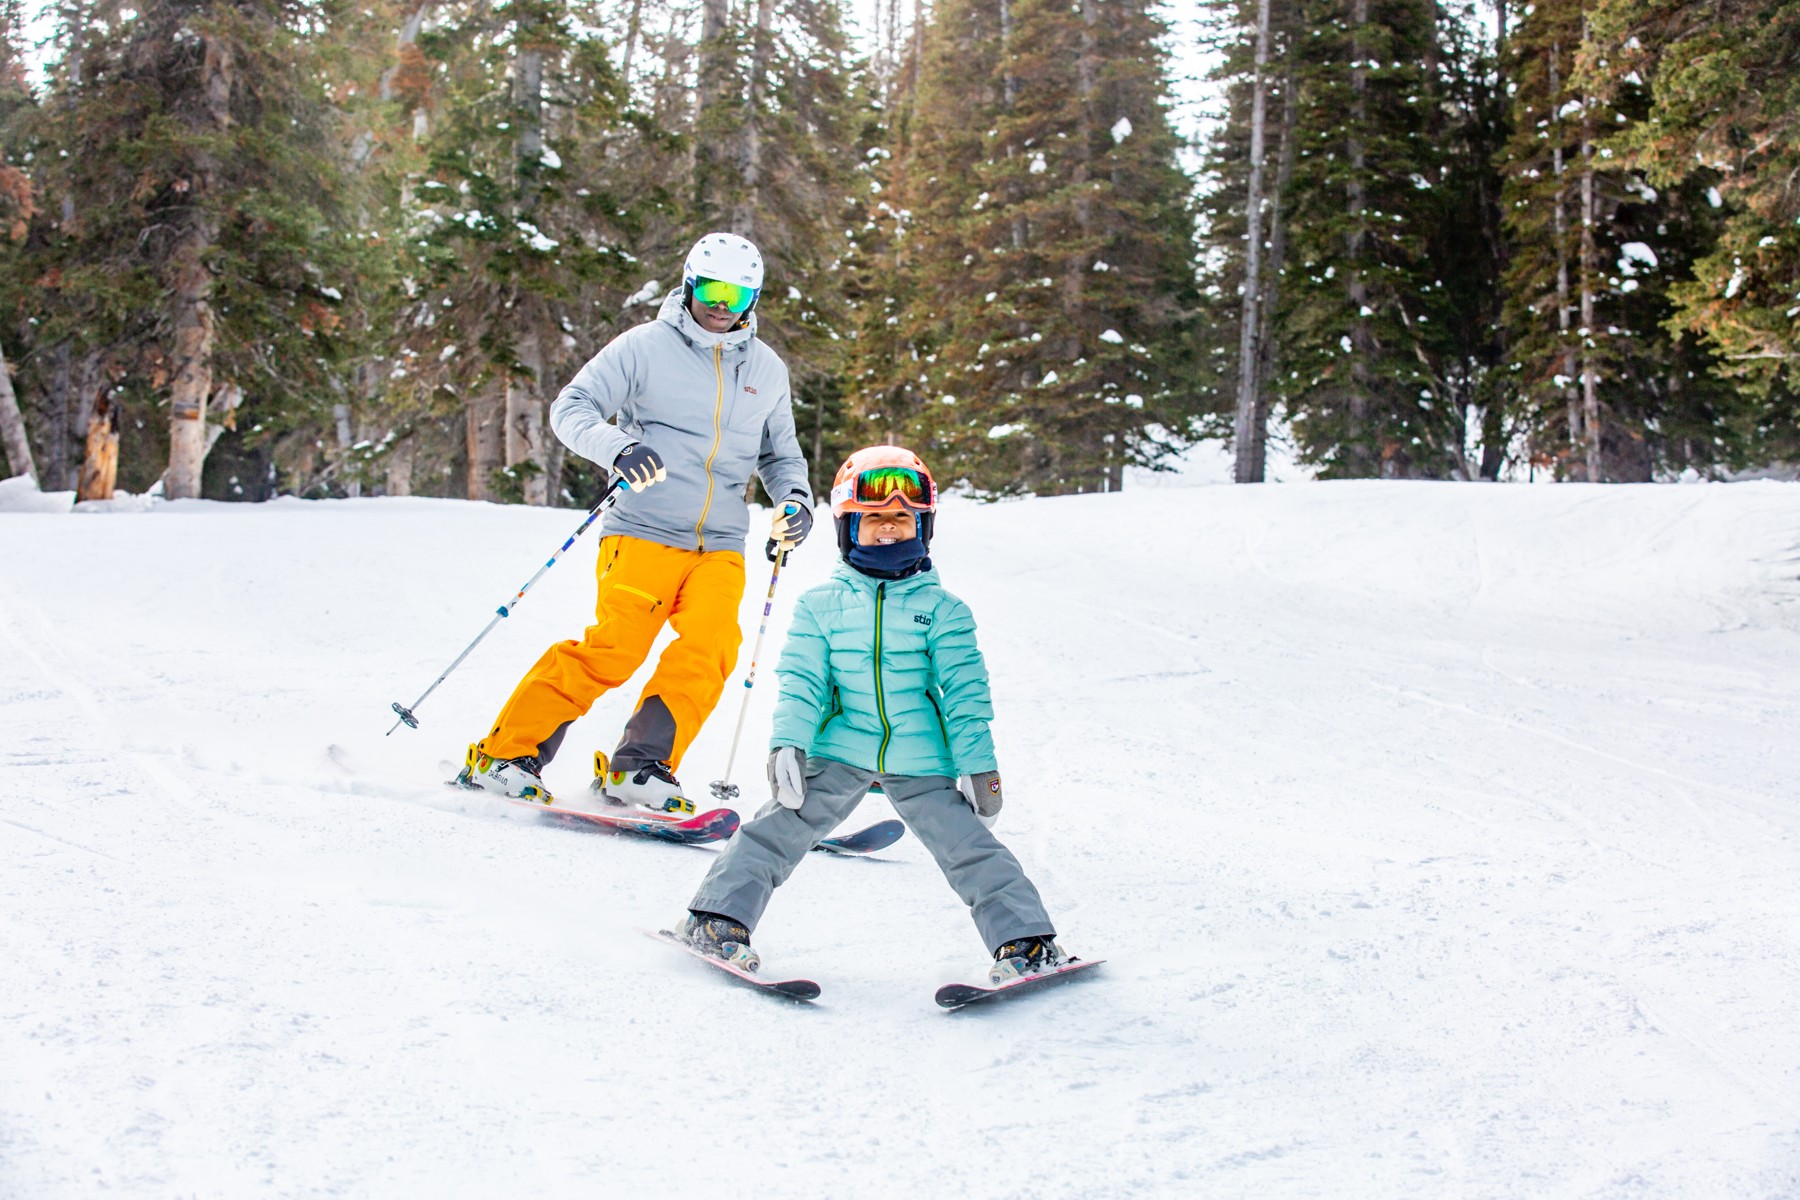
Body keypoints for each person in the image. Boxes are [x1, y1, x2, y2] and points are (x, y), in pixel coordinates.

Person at [674, 445, 1071, 984]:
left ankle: (1026, 941)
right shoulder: (820, 606)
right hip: (840, 749)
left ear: (923, 526)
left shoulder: (946, 611)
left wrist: (980, 767)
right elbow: (802, 681)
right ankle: (717, 918)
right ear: (847, 527)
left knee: (970, 848)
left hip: (920, 758)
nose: (889, 527)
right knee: (776, 830)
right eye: (873, 517)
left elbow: (965, 694)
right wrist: (788, 743)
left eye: (902, 517)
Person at [457, 233, 814, 811]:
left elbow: (781, 456)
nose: (721, 305)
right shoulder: (645, 347)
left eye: (736, 294)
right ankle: (505, 753)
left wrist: (795, 501)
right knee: (616, 648)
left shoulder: (767, 370)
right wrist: (619, 449)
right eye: (712, 289)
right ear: (690, 284)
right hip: (643, 528)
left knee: (711, 647)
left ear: (753, 298)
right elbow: (571, 408)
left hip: (721, 542)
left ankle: (641, 766)